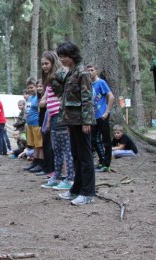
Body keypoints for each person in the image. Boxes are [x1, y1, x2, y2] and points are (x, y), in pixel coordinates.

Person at [56, 42, 96, 205]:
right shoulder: (71, 72)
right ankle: (76, 190)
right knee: (77, 156)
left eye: (65, 56)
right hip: (72, 120)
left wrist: (86, 121)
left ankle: (88, 193)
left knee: (85, 157)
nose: (62, 59)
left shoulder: (82, 73)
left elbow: (87, 99)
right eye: (60, 57)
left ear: (73, 55)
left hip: (82, 121)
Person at [39, 51, 74, 190]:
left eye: (46, 63)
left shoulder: (61, 75)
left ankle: (70, 179)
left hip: (62, 116)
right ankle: (57, 176)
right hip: (53, 117)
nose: (44, 66)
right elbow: (42, 102)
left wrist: (58, 103)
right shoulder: (49, 79)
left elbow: (67, 93)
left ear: (53, 62)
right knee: (57, 149)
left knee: (66, 149)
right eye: (42, 64)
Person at [87, 64, 115, 173]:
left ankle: (106, 164)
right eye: (88, 70)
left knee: (106, 140)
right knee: (94, 139)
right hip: (93, 117)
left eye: (92, 70)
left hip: (102, 116)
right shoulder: (89, 85)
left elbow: (111, 96)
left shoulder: (101, 83)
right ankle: (101, 161)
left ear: (96, 71)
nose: (90, 72)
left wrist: (107, 112)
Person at [24, 79, 45, 174]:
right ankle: (35, 162)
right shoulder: (29, 98)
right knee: (33, 145)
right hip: (30, 124)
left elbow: (40, 112)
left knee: (39, 145)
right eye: (28, 88)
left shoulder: (38, 97)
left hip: (37, 124)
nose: (30, 89)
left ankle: (40, 163)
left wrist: (40, 124)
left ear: (36, 87)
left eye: (32, 87)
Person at [37, 79, 55, 177]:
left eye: (41, 86)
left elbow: (45, 106)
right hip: (42, 122)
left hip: (49, 121)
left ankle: (50, 169)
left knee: (49, 146)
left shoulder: (51, 94)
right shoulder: (40, 96)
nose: (39, 88)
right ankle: (46, 167)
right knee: (45, 145)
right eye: (38, 86)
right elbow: (41, 105)